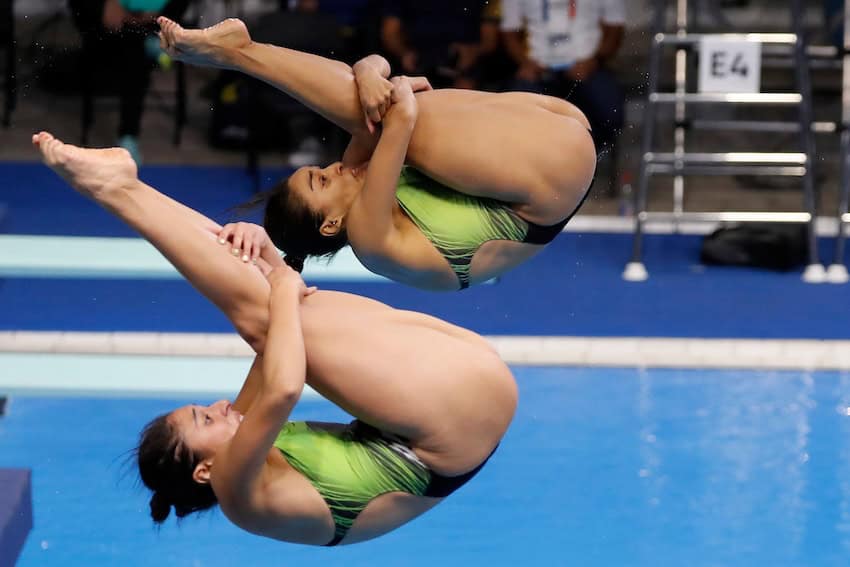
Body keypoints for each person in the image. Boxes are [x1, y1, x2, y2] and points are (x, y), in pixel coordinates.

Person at [32, 131, 517, 546]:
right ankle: (115, 190)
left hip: (460, 420)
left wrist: (268, 260)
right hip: (450, 429)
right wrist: (283, 283)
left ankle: (126, 187)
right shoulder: (236, 490)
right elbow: (284, 385)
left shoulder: (238, 449)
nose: (221, 404)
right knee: (272, 314)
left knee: (270, 315)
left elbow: (270, 345)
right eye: (204, 417)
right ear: (203, 471)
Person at [157, 16, 597, 291]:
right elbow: (401, 114)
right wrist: (385, 84)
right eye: (322, 181)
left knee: (367, 106)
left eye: (321, 169)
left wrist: (370, 73)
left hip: (554, 129)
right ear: (331, 223)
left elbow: (375, 73)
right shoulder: (370, 241)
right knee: (383, 115)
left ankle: (240, 52)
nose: (334, 168)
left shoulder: (357, 180)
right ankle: (239, 54)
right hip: (555, 175)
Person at [67, 0, 190, 164]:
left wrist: (155, 14)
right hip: (109, 24)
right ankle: (128, 136)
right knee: (135, 47)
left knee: (135, 49)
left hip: (150, 19)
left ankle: (128, 136)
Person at [500, 0, 626, 154]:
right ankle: (536, 161)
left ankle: (588, 159)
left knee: (610, 112)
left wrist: (595, 61)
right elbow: (509, 33)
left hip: (587, 65)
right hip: (538, 66)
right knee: (513, 110)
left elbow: (615, 28)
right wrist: (525, 63)